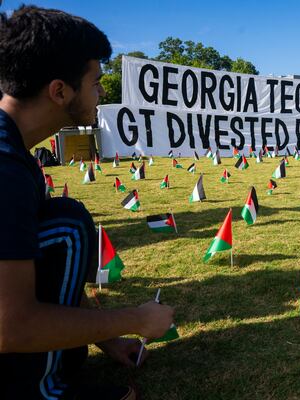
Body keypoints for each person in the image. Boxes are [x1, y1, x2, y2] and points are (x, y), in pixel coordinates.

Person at [0, 6, 174, 399]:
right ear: (59, 91)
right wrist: (136, 319)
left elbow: (42, 269)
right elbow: (9, 326)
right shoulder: (5, 170)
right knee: (67, 226)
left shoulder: (17, 153)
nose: (102, 93)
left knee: (65, 224)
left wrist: (110, 339)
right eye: (95, 82)